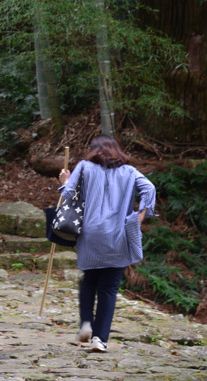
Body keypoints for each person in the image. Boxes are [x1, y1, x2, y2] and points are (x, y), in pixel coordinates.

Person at [58, 135, 155, 353]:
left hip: (90, 232)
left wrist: (65, 181)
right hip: (118, 233)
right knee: (109, 288)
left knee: (89, 280)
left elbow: (68, 194)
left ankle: (86, 323)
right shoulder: (129, 171)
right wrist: (139, 216)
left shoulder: (84, 167)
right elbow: (149, 189)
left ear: (93, 150)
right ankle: (99, 339)